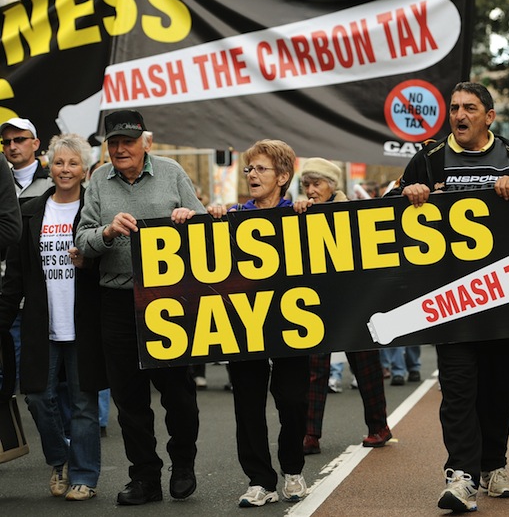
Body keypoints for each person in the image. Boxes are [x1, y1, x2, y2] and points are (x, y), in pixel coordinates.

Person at [389, 81, 509, 513]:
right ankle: (461, 474)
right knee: (458, 388)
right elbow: (384, 209)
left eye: (470, 108)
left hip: (505, 298)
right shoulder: (429, 158)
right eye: (455, 107)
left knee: (499, 387)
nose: (459, 115)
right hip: (449, 302)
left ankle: (494, 465)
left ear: (489, 117)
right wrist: (407, 194)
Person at [75, 110, 204, 505]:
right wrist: (107, 231)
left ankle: (182, 465)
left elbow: (204, 225)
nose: (120, 149)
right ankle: (145, 478)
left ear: (145, 142)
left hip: (168, 299)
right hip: (116, 299)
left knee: (178, 391)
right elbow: (82, 239)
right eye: (113, 142)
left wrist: (188, 218)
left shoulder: (171, 173)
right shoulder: (98, 180)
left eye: (127, 141)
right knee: (129, 398)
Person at [0, 133, 107, 500]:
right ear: (49, 164)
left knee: (83, 402)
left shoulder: (94, 212)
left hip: (84, 323)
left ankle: (84, 477)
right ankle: (60, 459)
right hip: (40, 324)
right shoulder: (31, 211)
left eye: (73, 163)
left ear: (85, 170)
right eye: (59, 162)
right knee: (36, 397)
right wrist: (2, 319)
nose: (65, 169)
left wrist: (89, 261)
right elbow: (15, 275)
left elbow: (109, 263)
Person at [207, 139, 309, 508]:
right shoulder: (234, 214)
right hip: (244, 322)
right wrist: (206, 217)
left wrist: (309, 213)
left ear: (282, 177)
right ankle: (260, 481)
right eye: (250, 169)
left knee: (293, 400)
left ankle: (293, 470)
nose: (252, 175)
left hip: (293, 320)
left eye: (261, 169)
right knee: (247, 404)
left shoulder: (299, 212)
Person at [292, 157, 392, 455]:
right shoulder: (301, 212)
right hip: (316, 299)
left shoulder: (352, 211)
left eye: (316, 184)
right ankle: (310, 434)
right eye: (306, 184)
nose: (311, 190)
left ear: (332, 186)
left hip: (353, 299)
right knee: (313, 368)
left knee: (366, 366)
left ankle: (379, 427)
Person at [0, 118, 53, 391]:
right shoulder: (2, 182)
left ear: (35, 143)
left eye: (19, 139)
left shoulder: (55, 183)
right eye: (6, 142)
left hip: (43, 290)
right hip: (7, 290)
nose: (12, 146)